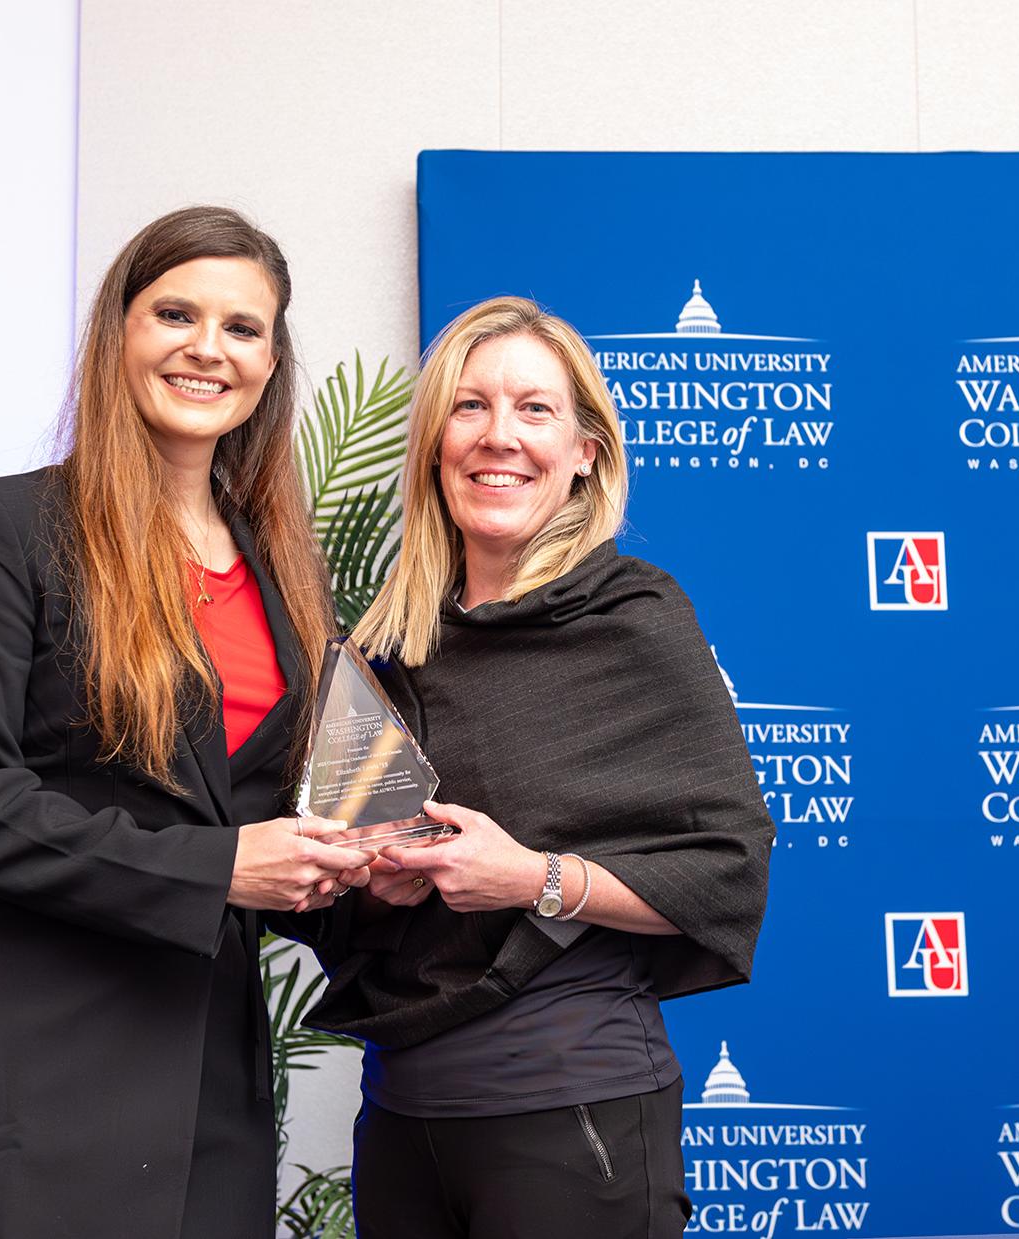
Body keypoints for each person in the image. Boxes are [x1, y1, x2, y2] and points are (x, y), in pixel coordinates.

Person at [0, 206, 372, 1238]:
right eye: (176, 314)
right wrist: (222, 868)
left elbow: (264, 815)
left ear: (271, 363)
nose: (208, 348)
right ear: (118, 333)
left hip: (206, 1061)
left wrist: (359, 868)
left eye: (242, 328)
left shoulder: (288, 573)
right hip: (19, 1047)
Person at [304, 296, 776, 1236]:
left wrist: (530, 877)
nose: (499, 436)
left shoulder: (636, 619)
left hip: (571, 1114)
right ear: (436, 443)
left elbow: (727, 872)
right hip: (399, 1122)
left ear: (584, 450)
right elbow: (329, 908)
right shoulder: (384, 648)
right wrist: (375, 885)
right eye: (470, 406)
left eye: (534, 409)